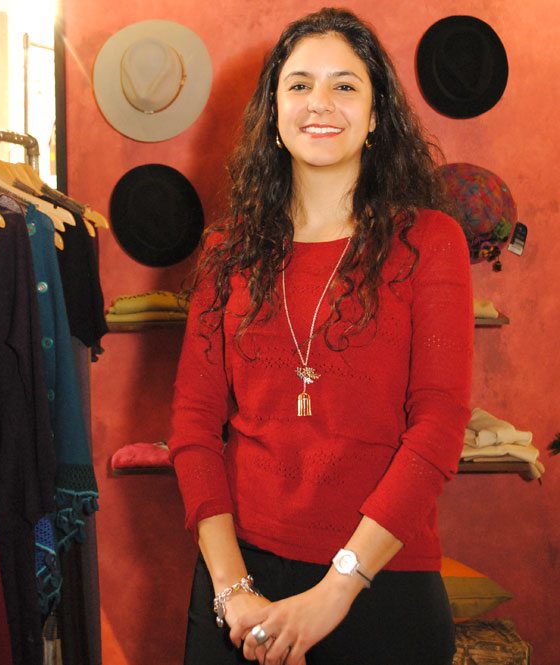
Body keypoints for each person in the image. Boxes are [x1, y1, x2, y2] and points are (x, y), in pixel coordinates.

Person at [168, 7, 473, 665]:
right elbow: (192, 427)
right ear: (274, 112)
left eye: (345, 85)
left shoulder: (429, 241)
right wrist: (232, 590)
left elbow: (439, 426)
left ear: (376, 115)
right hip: (238, 586)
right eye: (300, 84)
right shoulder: (226, 252)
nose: (320, 102)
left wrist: (338, 588)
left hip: (379, 583)